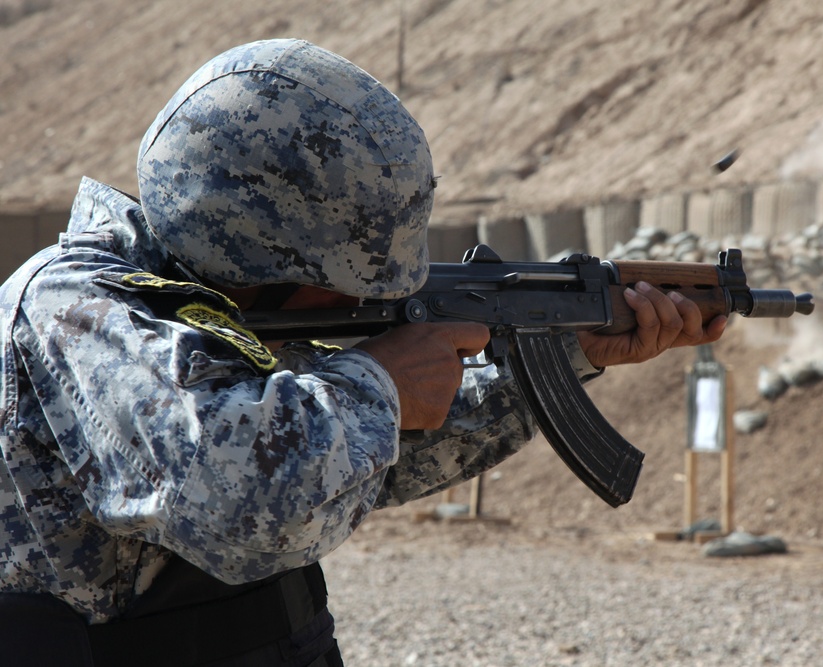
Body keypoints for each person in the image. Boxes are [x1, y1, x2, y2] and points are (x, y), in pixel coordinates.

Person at [0, 39, 726, 666]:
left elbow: (363, 463)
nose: (358, 302)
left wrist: (569, 357)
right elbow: (236, 504)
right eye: (341, 279)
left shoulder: (210, 312)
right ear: (257, 248)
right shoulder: (79, 310)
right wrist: (379, 381)